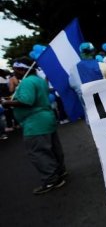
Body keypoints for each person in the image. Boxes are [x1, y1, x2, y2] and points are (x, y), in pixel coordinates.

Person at [1, 57, 67, 194]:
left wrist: (6, 103)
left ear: (22, 69)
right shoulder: (38, 80)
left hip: (35, 123)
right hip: (46, 119)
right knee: (53, 148)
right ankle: (60, 172)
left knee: (38, 152)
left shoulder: (27, 82)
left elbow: (27, 101)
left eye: (15, 69)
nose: (14, 72)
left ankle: (51, 181)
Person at [69, 42, 106, 122]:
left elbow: (74, 87)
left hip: (90, 117)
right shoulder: (102, 65)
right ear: (93, 52)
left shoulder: (73, 70)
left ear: (81, 53)